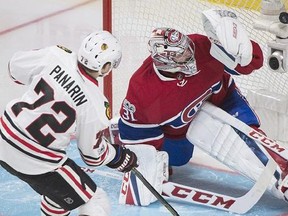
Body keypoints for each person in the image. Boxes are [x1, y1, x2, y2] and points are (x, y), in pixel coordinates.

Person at [117, 9, 288, 205]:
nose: (191, 55)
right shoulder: (143, 91)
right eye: (182, 56)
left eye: (188, 48)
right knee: (180, 158)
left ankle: (282, 175)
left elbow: (250, 65)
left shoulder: (200, 46)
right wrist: (149, 165)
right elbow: (136, 134)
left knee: (249, 134)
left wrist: (246, 50)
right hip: (177, 132)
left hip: (223, 100)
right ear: (167, 63)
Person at [0, 30, 138, 216]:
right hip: (38, 161)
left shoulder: (55, 54)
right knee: (94, 200)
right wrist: (117, 156)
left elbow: (13, 69)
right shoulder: (96, 104)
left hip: (4, 135)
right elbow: (92, 156)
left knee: (62, 194)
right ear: (104, 67)